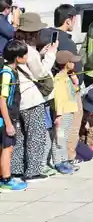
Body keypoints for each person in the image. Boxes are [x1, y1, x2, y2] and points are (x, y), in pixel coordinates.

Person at [12, 12, 57, 182]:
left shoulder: (14, 46)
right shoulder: (29, 51)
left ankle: (16, 170)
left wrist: (41, 53)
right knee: (35, 135)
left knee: (20, 136)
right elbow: (41, 73)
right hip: (32, 98)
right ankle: (33, 171)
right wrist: (51, 54)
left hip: (18, 99)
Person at [39, 4, 83, 165]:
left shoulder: (44, 36)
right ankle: (67, 158)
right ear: (68, 20)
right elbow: (77, 69)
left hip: (48, 88)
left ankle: (51, 158)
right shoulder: (66, 42)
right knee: (69, 126)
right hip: (67, 87)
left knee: (53, 127)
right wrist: (77, 84)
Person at [0, 40, 28, 191]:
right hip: (5, 119)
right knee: (7, 148)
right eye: (25, 54)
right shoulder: (7, 74)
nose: (27, 57)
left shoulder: (12, 71)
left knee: (7, 147)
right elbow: (2, 100)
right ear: (18, 57)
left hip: (10, 116)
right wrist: (8, 123)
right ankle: (6, 180)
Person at [50, 51, 81, 174]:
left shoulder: (67, 77)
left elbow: (72, 92)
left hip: (69, 111)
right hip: (63, 113)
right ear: (66, 63)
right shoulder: (59, 79)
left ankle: (64, 160)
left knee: (65, 137)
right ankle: (58, 162)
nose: (74, 63)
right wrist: (58, 115)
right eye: (72, 61)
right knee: (59, 138)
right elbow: (58, 98)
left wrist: (75, 83)